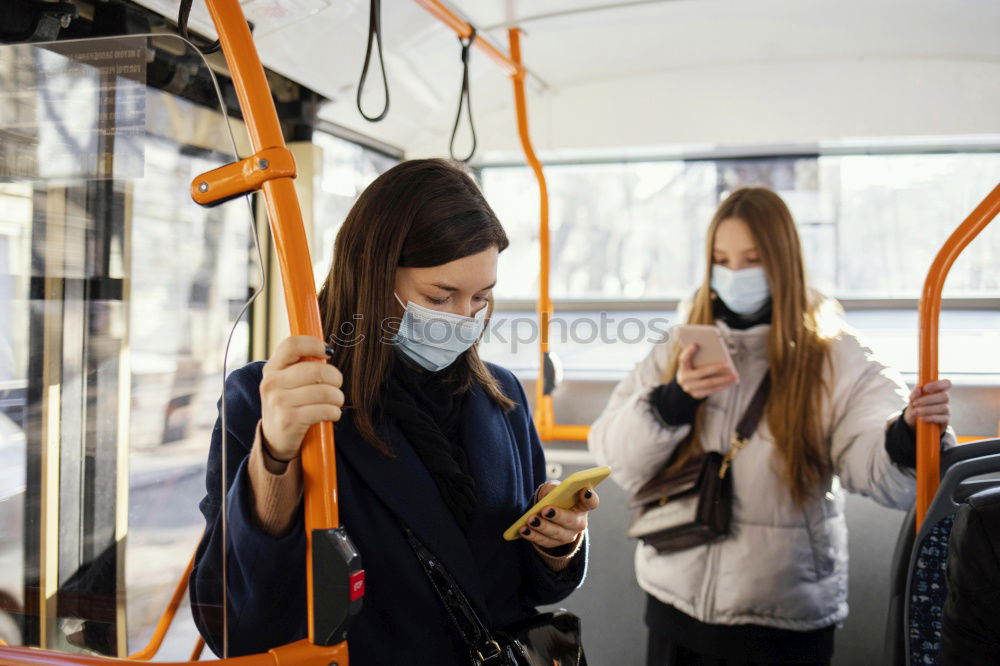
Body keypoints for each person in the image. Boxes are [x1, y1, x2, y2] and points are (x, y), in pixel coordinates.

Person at [190, 159, 597, 664]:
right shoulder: (275, 399)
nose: (463, 320)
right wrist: (275, 455)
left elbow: (520, 590)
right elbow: (235, 622)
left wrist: (556, 545)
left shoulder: (501, 397)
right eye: (439, 296)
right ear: (372, 276)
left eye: (480, 299)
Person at [588, 187, 955, 666]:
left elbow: (877, 468)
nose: (734, 274)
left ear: (782, 261)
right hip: (675, 600)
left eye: (752, 258)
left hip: (781, 617)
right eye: (721, 259)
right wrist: (672, 404)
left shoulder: (836, 356)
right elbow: (613, 456)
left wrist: (904, 436)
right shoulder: (679, 348)